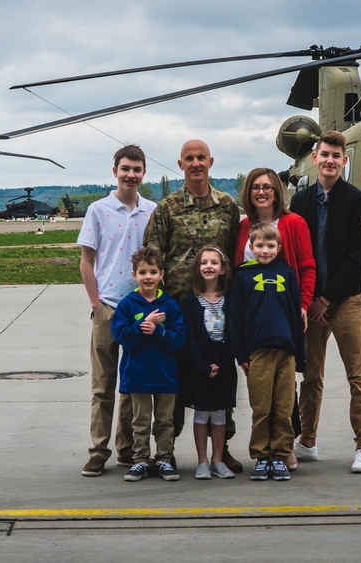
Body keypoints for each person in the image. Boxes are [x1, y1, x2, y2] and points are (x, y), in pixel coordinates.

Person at [143, 139, 242, 472]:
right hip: (177, 309)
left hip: (216, 307)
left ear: (211, 162)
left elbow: (232, 255)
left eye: (201, 157)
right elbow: (153, 255)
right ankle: (166, 451)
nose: (196, 163)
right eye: (189, 158)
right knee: (175, 383)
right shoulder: (167, 208)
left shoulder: (228, 205)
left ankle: (220, 449)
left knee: (219, 379)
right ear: (180, 164)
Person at [289, 130, 361, 474]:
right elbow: (296, 254)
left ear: (344, 160)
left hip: (345, 301)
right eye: (324, 154)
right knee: (309, 376)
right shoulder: (301, 202)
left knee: (359, 376)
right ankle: (307, 441)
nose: (329, 161)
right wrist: (310, 301)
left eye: (336, 156)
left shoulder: (355, 200)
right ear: (315, 158)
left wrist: (327, 298)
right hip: (310, 303)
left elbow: (357, 257)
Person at [78, 144, 158, 477]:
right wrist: (96, 304)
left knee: (134, 384)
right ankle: (98, 450)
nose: (131, 174)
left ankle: (129, 449)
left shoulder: (153, 210)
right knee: (103, 385)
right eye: (125, 168)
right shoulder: (98, 210)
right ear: (115, 172)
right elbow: (86, 260)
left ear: (143, 173)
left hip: (140, 308)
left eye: (137, 169)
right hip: (109, 308)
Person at [234, 167, 316, 471]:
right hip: (255, 325)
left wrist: (303, 305)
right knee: (261, 396)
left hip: (284, 317)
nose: (262, 191)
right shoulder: (244, 227)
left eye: (268, 186)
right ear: (248, 192)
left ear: (277, 191)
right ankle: (264, 452)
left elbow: (307, 267)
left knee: (284, 394)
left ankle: (284, 449)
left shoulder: (293, 223)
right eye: (256, 186)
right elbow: (237, 270)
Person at [227, 223, 306, 482]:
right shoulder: (241, 276)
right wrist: (241, 356)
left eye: (271, 246)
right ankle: (262, 456)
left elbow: (295, 315)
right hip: (257, 352)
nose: (265, 250)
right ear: (251, 247)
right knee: (261, 408)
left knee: (283, 407)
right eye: (259, 245)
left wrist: (299, 354)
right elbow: (235, 319)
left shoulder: (287, 274)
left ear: (279, 248)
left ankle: (282, 454)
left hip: (285, 352)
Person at [111, 247, 186, 482]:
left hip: (165, 375)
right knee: (140, 421)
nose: (148, 277)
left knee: (165, 421)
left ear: (161, 274)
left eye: (153, 272)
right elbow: (122, 338)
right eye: (142, 272)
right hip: (138, 375)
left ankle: (164, 459)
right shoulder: (127, 305)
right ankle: (140, 460)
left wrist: (158, 331)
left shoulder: (170, 305)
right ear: (134, 276)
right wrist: (143, 324)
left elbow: (179, 339)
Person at [181, 245, 237, 480]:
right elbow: (190, 337)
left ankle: (217, 460)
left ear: (223, 269)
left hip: (224, 368)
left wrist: (222, 365)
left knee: (220, 415)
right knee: (202, 414)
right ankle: (202, 461)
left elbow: (234, 334)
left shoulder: (230, 299)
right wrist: (204, 367)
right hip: (200, 369)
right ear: (198, 268)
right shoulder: (192, 301)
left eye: (214, 262)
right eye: (204, 262)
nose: (209, 266)